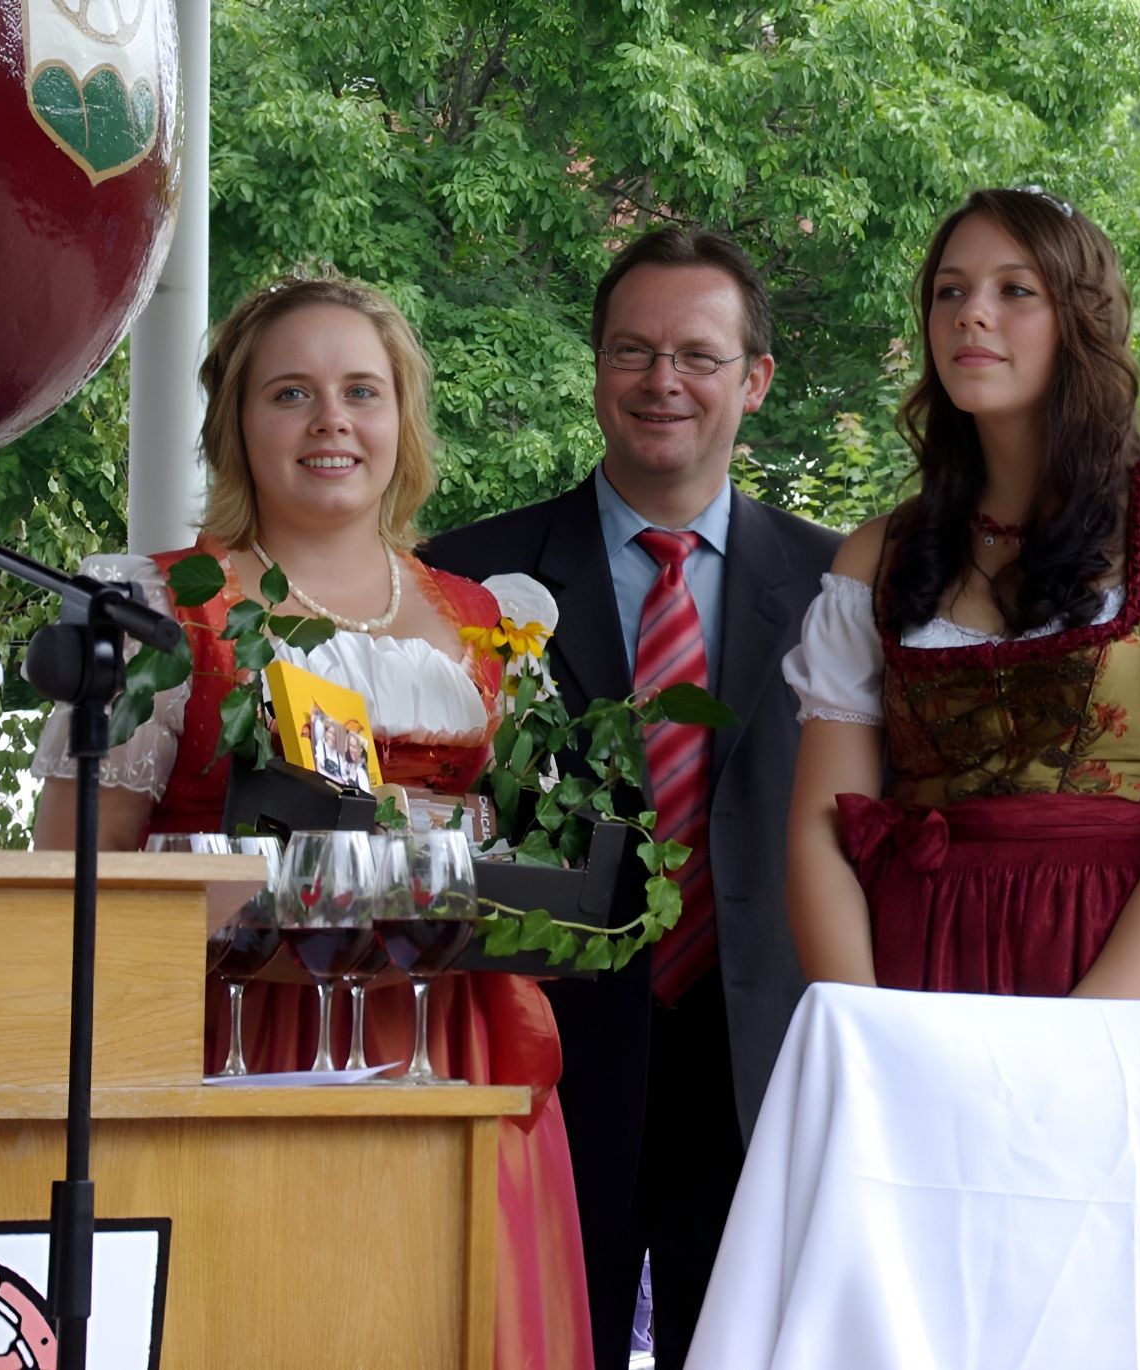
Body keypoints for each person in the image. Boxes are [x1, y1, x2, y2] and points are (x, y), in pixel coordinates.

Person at [29, 274, 594, 1369]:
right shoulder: (160, 602)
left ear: (402, 420)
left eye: (361, 391)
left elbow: (539, 875)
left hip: (455, 1050)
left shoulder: (491, 620)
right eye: (290, 392)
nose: (331, 420)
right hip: (240, 1045)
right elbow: (70, 885)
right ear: (236, 423)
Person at [425, 230, 840, 1369]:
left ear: (753, 380)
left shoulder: (842, 584)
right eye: (632, 350)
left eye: (697, 356)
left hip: (765, 1056)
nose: (662, 380)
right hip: (546, 1047)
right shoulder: (461, 581)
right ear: (596, 367)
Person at [783, 187, 1140, 1008]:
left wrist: (1082, 1027)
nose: (970, 314)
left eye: (1014, 290)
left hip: (1114, 977)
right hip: (913, 980)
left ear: (1082, 318)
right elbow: (822, 826)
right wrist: (862, 1027)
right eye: (949, 291)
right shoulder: (877, 556)